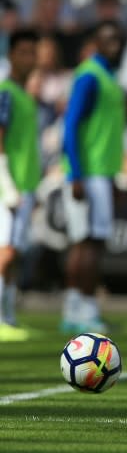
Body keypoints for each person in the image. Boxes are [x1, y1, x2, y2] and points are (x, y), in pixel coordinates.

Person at [60, 20, 126, 334]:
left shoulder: (107, 76)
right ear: (96, 41)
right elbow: (71, 125)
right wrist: (76, 174)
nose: (115, 44)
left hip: (102, 172)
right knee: (88, 243)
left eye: (118, 39)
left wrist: (113, 178)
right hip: (89, 173)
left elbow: (105, 132)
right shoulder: (90, 75)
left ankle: (76, 308)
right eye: (108, 38)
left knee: (88, 242)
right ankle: (83, 309)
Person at [0, 28, 40, 341]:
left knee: (15, 252)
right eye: (24, 51)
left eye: (33, 51)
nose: (30, 58)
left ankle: (9, 317)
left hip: (25, 184)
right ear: (11, 54)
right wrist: (7, 182)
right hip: (7, 186)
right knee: (6, 251)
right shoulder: (6, 91)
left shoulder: (25, 94)